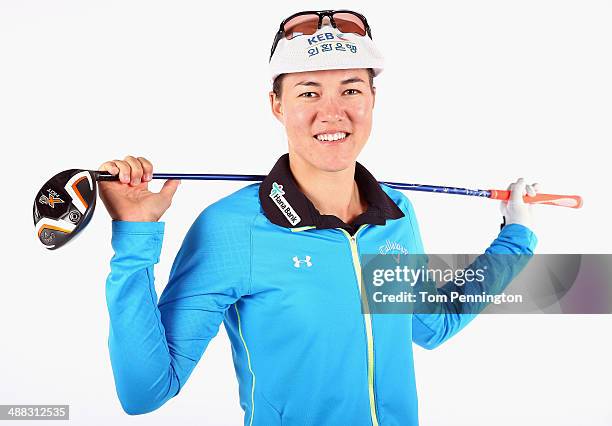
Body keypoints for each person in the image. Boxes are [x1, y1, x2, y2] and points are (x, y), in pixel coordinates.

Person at [99, 9, 540, 425]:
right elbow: (146, 391)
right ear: (276, 104)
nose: (332, 112)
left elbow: (431, 325)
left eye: (350, 89)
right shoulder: (231, 229)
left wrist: (515, 234)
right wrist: (135, 238)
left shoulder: (397, 214)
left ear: (372, 98)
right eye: (309, 92)